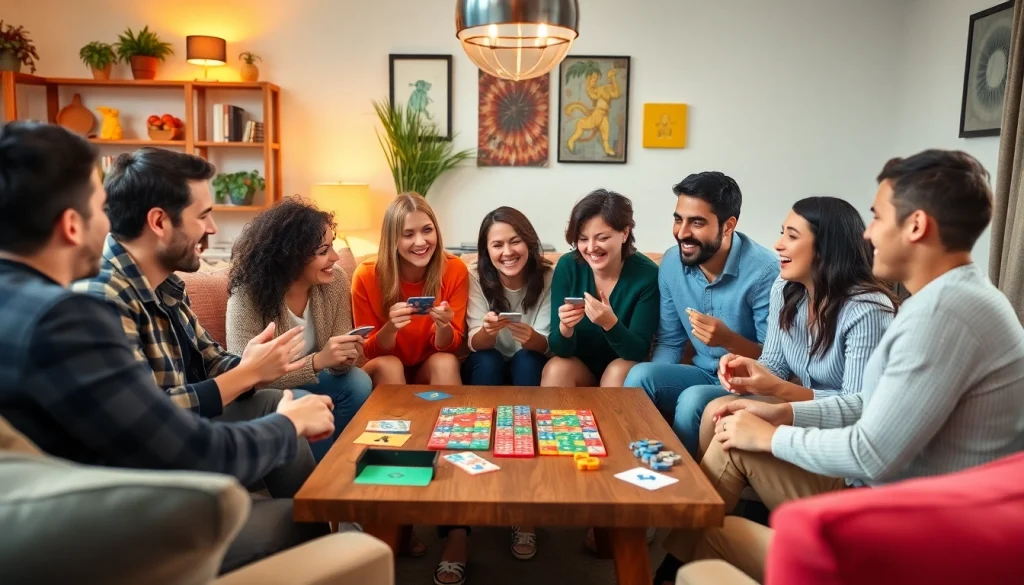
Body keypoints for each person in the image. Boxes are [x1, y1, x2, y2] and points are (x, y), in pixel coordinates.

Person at [656, 149, 1024, 584]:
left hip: (905, 528)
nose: (867, 234)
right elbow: (867, 406)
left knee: (704, 563)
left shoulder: (942, 314)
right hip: (892, 502)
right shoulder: (945, 301)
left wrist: (774, 436)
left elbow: (870, 454)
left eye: (878, 217)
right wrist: (781, 411)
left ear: (917, 226)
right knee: (715, 503)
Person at [0, 122, 337, 573]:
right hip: (111, 511)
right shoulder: (79, 309)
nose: (109, 223)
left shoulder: (161, 287)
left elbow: (208, 362)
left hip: (97, 481)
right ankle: (323, 548)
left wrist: (257, 368)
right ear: (72, 224)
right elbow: (182, 448)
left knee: (278, 404)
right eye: (101, 207)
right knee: (298, 518)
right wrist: (286, 426)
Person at [692, 196, 900, 458]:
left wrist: (777, 389)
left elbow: (857, 405)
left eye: (792, 236)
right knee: (717, 411)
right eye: (782, 234)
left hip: (845, 431)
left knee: (726, 419)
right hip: (796, 405)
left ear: (825, 248)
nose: (778, 245)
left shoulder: (867, 309)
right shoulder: (785, 288)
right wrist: (749, 371)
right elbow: (775, 364)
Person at [433, 207, 552, 584]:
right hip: (485, 365)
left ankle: (524, 509)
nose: (507, 251)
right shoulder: (472, 274)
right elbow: (472, 340)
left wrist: (530, 338)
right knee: (485, 360)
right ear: (486, 251)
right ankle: (457, 530)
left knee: (528, 364)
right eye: (497, 244)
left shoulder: (549, 275)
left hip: (529, 363)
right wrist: (487, 330)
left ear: (529, 243)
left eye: (515, 241)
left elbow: (547, 342)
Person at [623, 172, 778, 457]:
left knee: (694, 399)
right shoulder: (671, 262)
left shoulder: (765, 271)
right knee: (640, 375)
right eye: (678, 219)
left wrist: (729, 340)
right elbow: (670, 341)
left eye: (696, 222)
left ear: (728, 225)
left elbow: (775, 361)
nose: (682, 233)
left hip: (748, 382)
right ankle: (636, 462)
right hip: (702, 372)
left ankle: (684, 487)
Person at [226, 198, 374, 462]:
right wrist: (318, 361)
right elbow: (241, 376)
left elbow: (338, 360)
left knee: (357, 380)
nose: (335, 257)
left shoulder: (335, 280)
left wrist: (345, 356)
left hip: (314, 380)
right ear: (291, 257)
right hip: (263, 394)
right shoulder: (247, 296)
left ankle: (339, 464)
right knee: (305, 400)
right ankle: (315, 479)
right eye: (323, 251)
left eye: (333, 247)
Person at [542, 189, 660, 388]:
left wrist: (611, 324)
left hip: (622, 368)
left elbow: (638, 351)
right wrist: (565, 328)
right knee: (557, 368)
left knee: (618, 370)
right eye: (583, 239)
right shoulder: (568, 266)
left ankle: (612, 420)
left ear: (624, 233)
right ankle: (556, 421)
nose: (591, 247)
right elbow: (559, 349)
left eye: (602, 238)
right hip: (578, 369)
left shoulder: (647, 275)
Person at [350, 192, 469, 388]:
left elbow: (451, 347)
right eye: (408, 234)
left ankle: (452, 420)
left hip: (430, 368)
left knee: (445, 362)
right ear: (393, 239)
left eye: (427, 230)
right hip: (384, 365)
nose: (421, 242)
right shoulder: (366, 275)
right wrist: (391, 328)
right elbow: (369, 351)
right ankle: (397, 418)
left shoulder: (454, 269)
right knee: (390, 366)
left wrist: (443, 326)